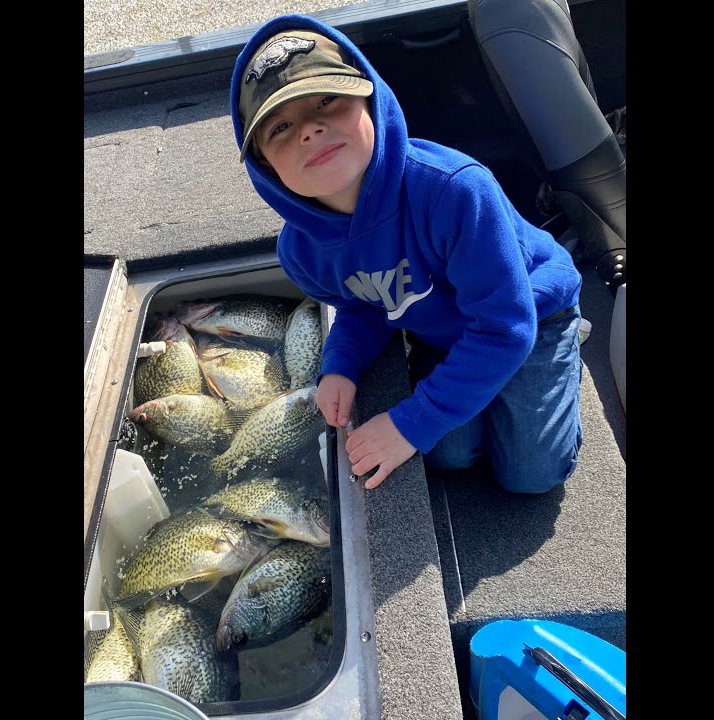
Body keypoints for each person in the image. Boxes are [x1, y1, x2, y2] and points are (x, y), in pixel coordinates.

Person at [230, 14, 584, 494]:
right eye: (280, 127)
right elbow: (362, 305)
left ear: (368, 97)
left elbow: (505, 327)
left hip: (530, 316)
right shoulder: (301, 253)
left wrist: (409, 422)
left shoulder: (456, 191)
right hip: (442, 326)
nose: (309, 129)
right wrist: (341, 362)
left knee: (530, 476)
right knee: (449, 455)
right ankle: (486, 389)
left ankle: (563, 353)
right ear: (265, 166)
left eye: (327, 100)